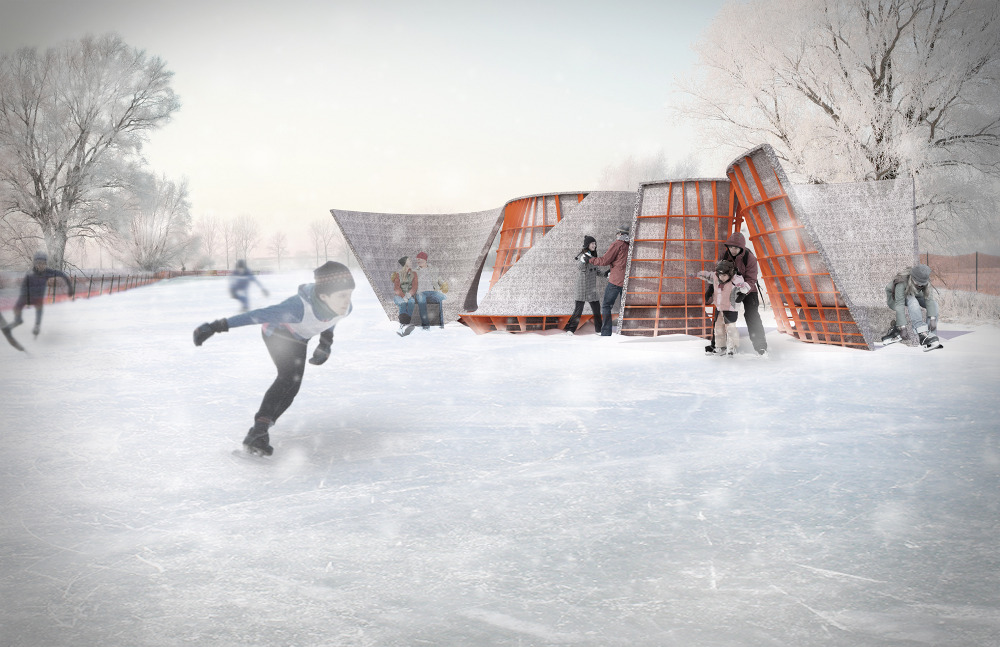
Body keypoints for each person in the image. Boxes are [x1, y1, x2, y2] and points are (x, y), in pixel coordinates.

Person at [192, 261, 355, 456]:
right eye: (342, 295)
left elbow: (332, 320)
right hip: (277, 332)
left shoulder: (344, 307)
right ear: (323, 296)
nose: (347, 301)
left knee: (293, 388)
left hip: (299, 338)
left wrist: (326, 343)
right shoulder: (297, 308)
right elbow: (258, 315)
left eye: (349, 294)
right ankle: (258, 430)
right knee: (288, 377)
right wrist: (215, 326)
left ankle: (260, 431)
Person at [713, 233, 768, 356]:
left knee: (752, 315)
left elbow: (752, 278)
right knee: (721, 314)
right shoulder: (724, 255)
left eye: (736, 248)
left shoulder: (750, 258)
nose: (733, 250)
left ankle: (761, 346)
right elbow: (717, 273)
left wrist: (743, 293)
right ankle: (717, 344)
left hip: (749, 289)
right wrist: (712, 290)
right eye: (731, 247)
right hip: (729, 289)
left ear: (742, 248)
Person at [3, 251, 74, 338]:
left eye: (43, 263)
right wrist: (26, 297)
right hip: (26, 296)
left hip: (38, 297)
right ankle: (18, 321)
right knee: (17, 307)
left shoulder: (48, 272)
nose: (41, 266)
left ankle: (37, 326)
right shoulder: (30, 274)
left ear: (46, 264)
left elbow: (62, 274)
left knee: (39, 307)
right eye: (39, 263)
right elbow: (24, 287)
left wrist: (70, 287)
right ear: (35, 264)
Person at [696, 259, 751, 356]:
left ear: (730, 273)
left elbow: (746, 286)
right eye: (720, 275)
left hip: (731, 308)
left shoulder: (736, 279)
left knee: (730, 329)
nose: (722, 277)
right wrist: (698, 274)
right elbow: (708, 275)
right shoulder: (716, 277)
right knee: (718, 328)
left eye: (724, 275)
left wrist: (743, 291)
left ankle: (731, 348)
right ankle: (720, 347)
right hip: (719, 308)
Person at [881, 263, 941, 351]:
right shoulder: (901, 282)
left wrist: (932, 318)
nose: (920, 285)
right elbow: (899, 305)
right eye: (918, 283)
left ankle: (931, 337)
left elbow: (929, 300)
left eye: (922, 284)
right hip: (896, 299)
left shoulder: (925, 281)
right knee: (912, 301)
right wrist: (903, 327)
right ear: (912, 278)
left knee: (934, 305)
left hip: (915, 295)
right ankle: (922, 335)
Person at [587, 224, 631, 336]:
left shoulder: (617, 244)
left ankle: (606, 332)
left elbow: (604, 261)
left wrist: (590, 259)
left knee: (607, 305)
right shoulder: (630, 244)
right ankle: (625, 331)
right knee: (624, 307)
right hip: (627, 281)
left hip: (616, 281)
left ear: (620, 234)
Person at [564, 235, 603, 335]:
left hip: (591, 288)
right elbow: (580, 267)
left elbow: (597, 271)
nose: (594, 245)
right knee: (578, 311)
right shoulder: (584, 256)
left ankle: (599, 330)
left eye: (595, 243)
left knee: (597, 310)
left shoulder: (593, 257)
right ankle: (570, 330)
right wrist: (582, 260)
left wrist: (606, 274)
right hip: (582, 287)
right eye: (592, 243)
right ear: (588, 245)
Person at [413, 251, 447, 329]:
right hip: (421, 292)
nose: (418, 261)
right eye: (417, 259)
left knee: (440, 298)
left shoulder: (434, 269)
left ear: (425, 260)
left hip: (432, 291)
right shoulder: (414, 271)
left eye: (420, 259)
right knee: (421, 301)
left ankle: (441, 325)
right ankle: (426, 326)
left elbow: (439, 279)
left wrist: (443, 284)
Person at [391, 256, 418, 336]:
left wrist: (408, 295)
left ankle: (405, 326)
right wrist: (403, 296)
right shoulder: (398, 274)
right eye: (409, 261)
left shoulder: (414, 274)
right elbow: (396, 288)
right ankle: (403, 325)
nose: (411, 262)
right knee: (402, 303)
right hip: (398, 296)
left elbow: (414, 287)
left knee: (412, 302)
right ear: (405, 263)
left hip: (409, 296)